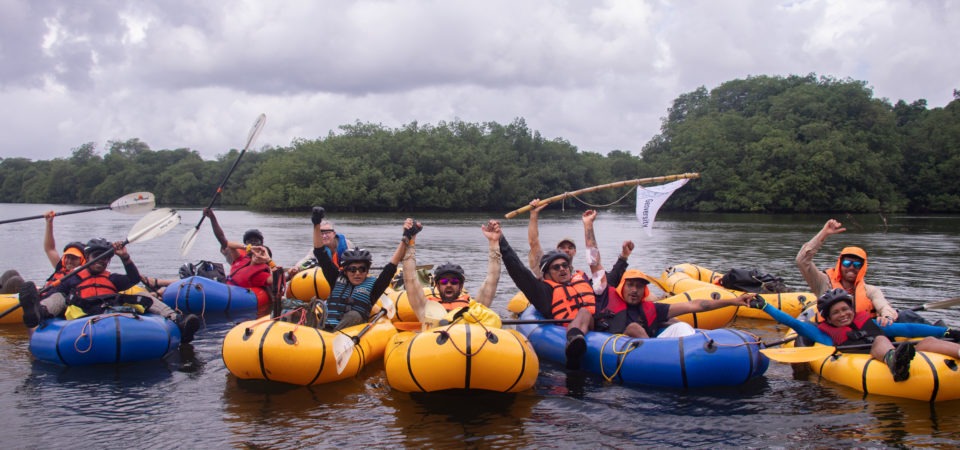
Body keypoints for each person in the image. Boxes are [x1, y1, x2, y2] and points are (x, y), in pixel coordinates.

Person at [752, 288, 960, 382]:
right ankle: (894, 363)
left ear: (852, 310)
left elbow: (908, 330)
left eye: (845, 310)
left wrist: (947, 331)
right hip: (861, 357)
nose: (843, 314)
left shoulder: (869, 323)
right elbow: (792, 322)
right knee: (880, 340)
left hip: (895, 351)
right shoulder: (823, 334)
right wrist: (765, 306)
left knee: (929, 341)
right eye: (836, 312)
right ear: (828, 319)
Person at [17, 238, 200, 343]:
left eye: (106, 259)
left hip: (108, 309)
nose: (102, 261)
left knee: (142, 295)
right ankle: (37, 313)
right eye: (98, 256)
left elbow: (134, 279)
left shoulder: (112, 278)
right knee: (58, 296)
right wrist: (40, 298)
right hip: (81, 312)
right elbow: (52, 294)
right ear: (87, 257)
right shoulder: (73, 278)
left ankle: (178, 320)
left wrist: (125, 258)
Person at [501, 231, 627, 370]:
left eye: (565, 265)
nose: (562, 269)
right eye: (556, 267)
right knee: (584, 312)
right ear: (547, 275)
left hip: (599, 327)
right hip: (568, 329)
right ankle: (574, 345)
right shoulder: (545, 292)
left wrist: (623, 258)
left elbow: (609, 279)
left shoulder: (583, 281)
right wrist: (501, 241)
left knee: (634, 328)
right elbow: (519, 272)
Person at [797, 219, 926, 324]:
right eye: (847, 263)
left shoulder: (870, 290)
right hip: (833, 334)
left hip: (862, 333)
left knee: (907, 316)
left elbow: (883, 306)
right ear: (840, 264)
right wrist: (823, 234)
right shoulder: (823, 283)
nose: (852, 267)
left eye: (857, 264)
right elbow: (802, 260)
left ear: (863, 267)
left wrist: (887, 316)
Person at [595, 268, 754, 338]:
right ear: (622, 287)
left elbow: (696, 305)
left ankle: (696, 355)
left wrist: (735, 301)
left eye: (639, 286)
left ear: (645, 291)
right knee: (634, 327)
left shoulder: (653, 309)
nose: (634, 290)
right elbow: (595, 265)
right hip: (617, 345)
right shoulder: (608, 299)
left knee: (682, 326)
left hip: (651, 347)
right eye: (630, 285)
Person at [313, 213, 407, 331]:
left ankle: (332, 336)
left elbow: (391, 267)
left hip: (349, 335)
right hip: (325, 327)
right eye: (352, 269)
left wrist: (406, 238)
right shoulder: (335, 278)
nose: (357, 273)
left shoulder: (374, 288)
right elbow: (320, 254)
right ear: (345, 271)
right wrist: (316, 224)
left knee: (354, 315)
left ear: (367, 271)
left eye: (362, 269)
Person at [399, 219, 502, 321]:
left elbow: (492, 280)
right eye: (444, 281)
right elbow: (410, 280)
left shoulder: (474, 309)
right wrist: (410, 241)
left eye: (454, 282)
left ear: (461, 286)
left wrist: (494, 243)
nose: (448, 285)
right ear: (437, 285)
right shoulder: (425, 307)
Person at [526, 199, 591, 283]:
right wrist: (534, 214)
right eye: (563, 247)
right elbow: (533, 242)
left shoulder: (578, 276)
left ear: (575, 251)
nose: (567, 250)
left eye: (570, 248)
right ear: (557, 250)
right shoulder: (545, 267)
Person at [288, 207, 355, 276]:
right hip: (328, 275)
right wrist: (296, 267)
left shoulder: (347, 244)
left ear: (334, 233)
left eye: (327, 232)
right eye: (321, 233)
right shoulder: (317, 248)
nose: (324, 236)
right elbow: (307, 258)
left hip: (345, 274)